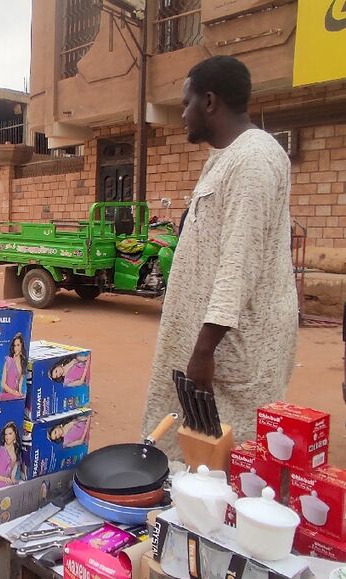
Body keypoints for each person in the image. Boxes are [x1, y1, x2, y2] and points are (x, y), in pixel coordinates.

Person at [141, 56, 298, 456]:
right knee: (191, 458)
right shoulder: (227, 158)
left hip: (232, 353)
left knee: (229, 459)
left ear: (209, 101)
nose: (182, 115)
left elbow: (238, 263)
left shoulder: (253, 160)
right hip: (209, 347)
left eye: (185, 103)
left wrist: (204, 351)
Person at [0, 422, 21, 490]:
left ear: (15, 435)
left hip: (7, 485)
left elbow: (12, 476)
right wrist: (4, 479)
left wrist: (13, 481)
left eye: (10, 434)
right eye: (6, 434)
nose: (7, 437)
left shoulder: (16, 454)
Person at [0, 333, 27, 401]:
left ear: (22, 346)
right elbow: (3, 384)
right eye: (14, 346)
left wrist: (20, 393)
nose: (16, 348)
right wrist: (14, 393)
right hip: (7, 394)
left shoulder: (23, 362)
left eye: (18, 345)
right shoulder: (8, 361)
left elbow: (20, 383)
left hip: (16, 395)